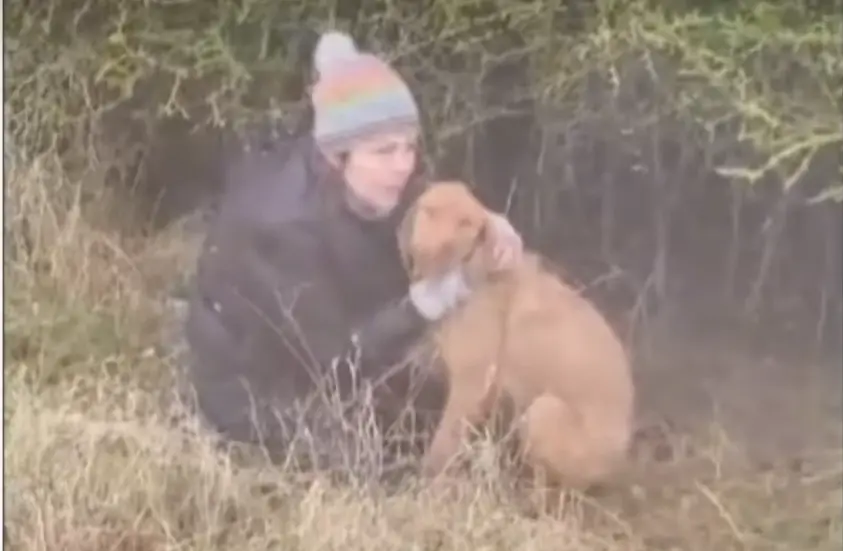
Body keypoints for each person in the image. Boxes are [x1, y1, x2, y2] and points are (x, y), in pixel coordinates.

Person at [182, 30, 524, 467]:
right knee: (381, 461)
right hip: (259, 386)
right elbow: (335, 365)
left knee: (435, 404)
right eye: (385, 152)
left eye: (409, 147)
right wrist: (424, 305)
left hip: (325, 330)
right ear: (337, 157)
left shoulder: (355, 165)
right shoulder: (286, 228)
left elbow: (422, 194)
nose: (403, 165)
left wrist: (486, 220)